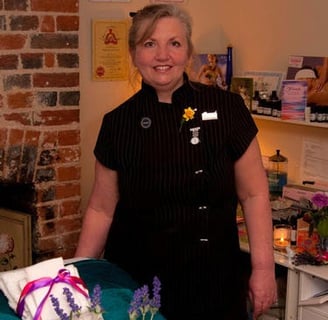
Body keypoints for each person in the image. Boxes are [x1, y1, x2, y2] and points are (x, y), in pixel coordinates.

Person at [75, 3, 277, 319]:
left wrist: (263, 267)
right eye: (149, 44)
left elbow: (254, 194)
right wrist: (78, 277)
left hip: (214, 281)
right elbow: (101, 209)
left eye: (174, 43)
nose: (162, 56)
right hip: (138, 282)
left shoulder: (228, 109)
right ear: (133, 53)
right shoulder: (118, 123)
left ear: (187, 51)